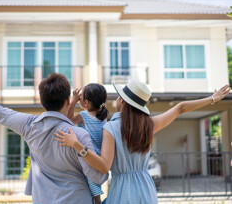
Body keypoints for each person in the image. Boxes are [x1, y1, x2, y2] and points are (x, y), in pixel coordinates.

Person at [55, 79, 230, 204]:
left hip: (122, 191)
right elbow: (180, 108)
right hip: (147, 189)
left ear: (122, 101)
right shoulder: (149, 125)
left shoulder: (110, 128)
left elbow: (104, 166)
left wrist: (78, 145)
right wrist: (212, 99)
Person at [0, 70, 108, 204]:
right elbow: (97, 177)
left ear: (41, 102)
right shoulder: (79, 134)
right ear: (68, 100)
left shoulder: (29, 126)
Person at [67, 84, 108, 204]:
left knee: (91, 183)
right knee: (93, 183)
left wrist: (73, 102)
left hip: (89, 155)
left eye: (80, 98)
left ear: (86, 103)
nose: (78, 99)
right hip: (101, 156)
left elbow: (68, 121)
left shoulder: (84, 115)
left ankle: (98, 201)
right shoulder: (103, 115)